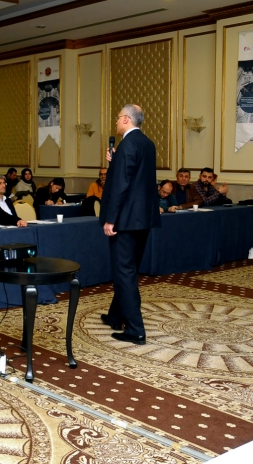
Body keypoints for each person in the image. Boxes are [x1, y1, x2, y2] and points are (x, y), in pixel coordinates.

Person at [101, 104, 160, 346]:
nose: (116, 122)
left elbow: (121, 185)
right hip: (142, 218)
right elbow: (136, 178)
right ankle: (116, 316)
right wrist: (116, 161)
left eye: (118, 118)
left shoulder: (127, 145)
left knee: (124, 272)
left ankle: (136, 330)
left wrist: (110, 219)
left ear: (126, 119)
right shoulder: (147, 143)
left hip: (124, 220)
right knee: (129, 269)